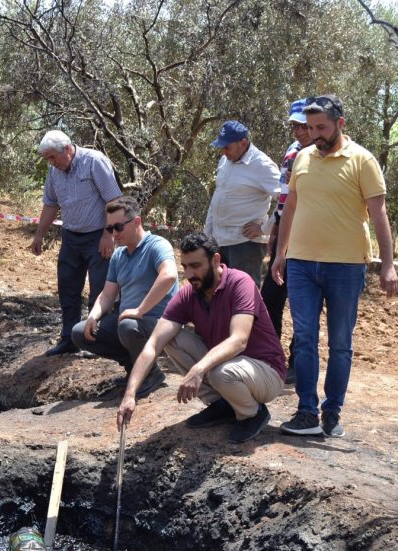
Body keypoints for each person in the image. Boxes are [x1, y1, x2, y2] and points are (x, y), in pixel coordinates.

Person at [270, 94, 398, 439]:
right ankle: (307, 412)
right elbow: (291, 208)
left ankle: (332, 411)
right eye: (310, 127)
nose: (314, 134)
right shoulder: (302, 159)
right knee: (305, 339)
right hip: (300, 265)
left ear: (340, 123)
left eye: (321, 127)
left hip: (345, 267)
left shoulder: (363, 160)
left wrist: (387, 265)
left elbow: (379, 215)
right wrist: (280, 253)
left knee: (340, 342)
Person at [117, 233, 286, 444]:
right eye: (185, 266)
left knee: (220, 373)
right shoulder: (189, 294)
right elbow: (153, 344)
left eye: (195, 265)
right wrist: (130, 395)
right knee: (171, 338)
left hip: (266, 372)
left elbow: (239, 340)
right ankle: (222, 404)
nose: (189, 273)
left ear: (216, 260)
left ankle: (253, 413)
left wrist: (198, 369)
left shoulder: (240, 283)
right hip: (228, 367)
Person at [71, 196, 178, 398]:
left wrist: (139, 310)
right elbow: (107, 294)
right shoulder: (119, 255)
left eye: (118, 227)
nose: (114, 233)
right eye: (110, 228)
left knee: (128, 325)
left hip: (158, 322)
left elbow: (169, 275)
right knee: (79, 332)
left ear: (137, 221)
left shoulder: (157, 245)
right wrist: (93, 316)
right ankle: (134, 367)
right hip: (128, 322)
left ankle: (151, 374)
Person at [31, 130, 123, 356]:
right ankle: (69, 339)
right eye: (47, 159)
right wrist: (39, 234)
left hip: (97, 236)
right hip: (71, 236)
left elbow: (114, 200)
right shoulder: (54, 171)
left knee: (100, 290)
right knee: (68, 289)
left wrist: (108, 234)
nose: (51, 163)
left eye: (53, 157)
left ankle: (96, 341)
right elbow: (50, 204)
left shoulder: (94, 161)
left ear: (68, 149)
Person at [258, 98, 314, 385]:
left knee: (304, 306)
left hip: (312, 238)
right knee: (270, 299)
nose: (299, 132)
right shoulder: (292, 153)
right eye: (295, 126)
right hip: (287, 236)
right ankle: (270, 355)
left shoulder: (322, 153)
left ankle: (297, 361)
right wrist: (276, 230)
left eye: (304, 126)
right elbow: (283, 197)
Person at [204, 120, 281, 287]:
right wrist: (207, 233)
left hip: (245, 245)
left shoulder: (262, 165)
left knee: (243, 296)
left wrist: (264, 228)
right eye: (222, 147)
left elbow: (286, 198)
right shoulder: (225, 161)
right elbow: (217, 197)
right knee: (218, 294)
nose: (224, 152)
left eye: (227, 147)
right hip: (220, 241)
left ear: (243, 143)